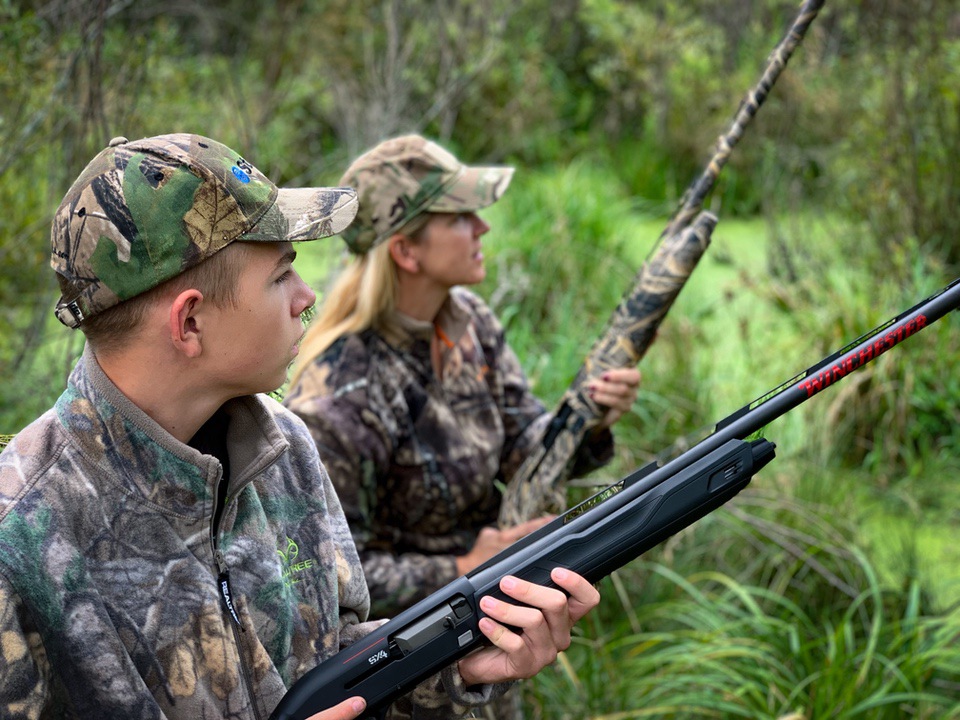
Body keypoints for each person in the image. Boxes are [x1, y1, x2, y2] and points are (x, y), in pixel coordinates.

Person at [0, 133, 601, 720]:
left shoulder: (283, 447)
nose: (306, 295)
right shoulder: (18, 541)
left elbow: (335, 659)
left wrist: (455, 668)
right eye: (281, 275)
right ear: (190, 322)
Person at [283, 135, 640, 718]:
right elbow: (330, 583)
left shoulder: (468, 321)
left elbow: (528, 448)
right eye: (460, 217)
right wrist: (460, 568)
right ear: (406, 251)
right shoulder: (339, 396)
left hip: (494, 652)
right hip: (401, 681)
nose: (483, 228)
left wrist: (590, 419)